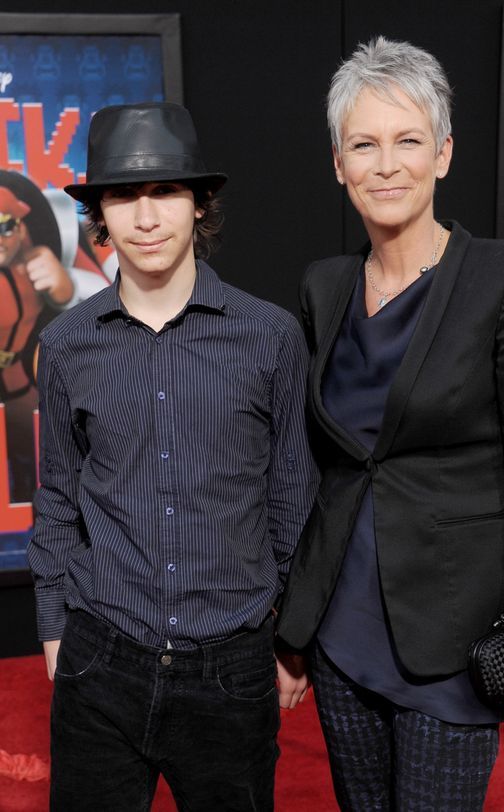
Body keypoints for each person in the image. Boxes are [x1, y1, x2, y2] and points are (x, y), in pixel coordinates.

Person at [276, 37, 504, 811]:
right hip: (342, 626)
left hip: (453, 627)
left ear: (443, 154)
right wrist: (295, 622)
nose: (386, 165)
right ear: (337, 163)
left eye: (408, 141)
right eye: (363, 144)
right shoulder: (325, 285)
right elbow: (325, 464)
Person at [27, 101, 317, 811]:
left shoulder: (270, 337)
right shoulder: (66, 345)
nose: (146, 216)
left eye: (165, 192)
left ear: (200, 204)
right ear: (99, 213)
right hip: (100, 657)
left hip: (232, 667)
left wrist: (280, 631)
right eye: (123, 195)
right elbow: (59, 497)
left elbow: (291, 493)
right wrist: (57, 634)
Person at [0, 172, 106, 501]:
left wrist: (66, 286)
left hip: (28, 387)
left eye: (4, 225)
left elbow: (110, 302)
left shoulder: (46, 251)